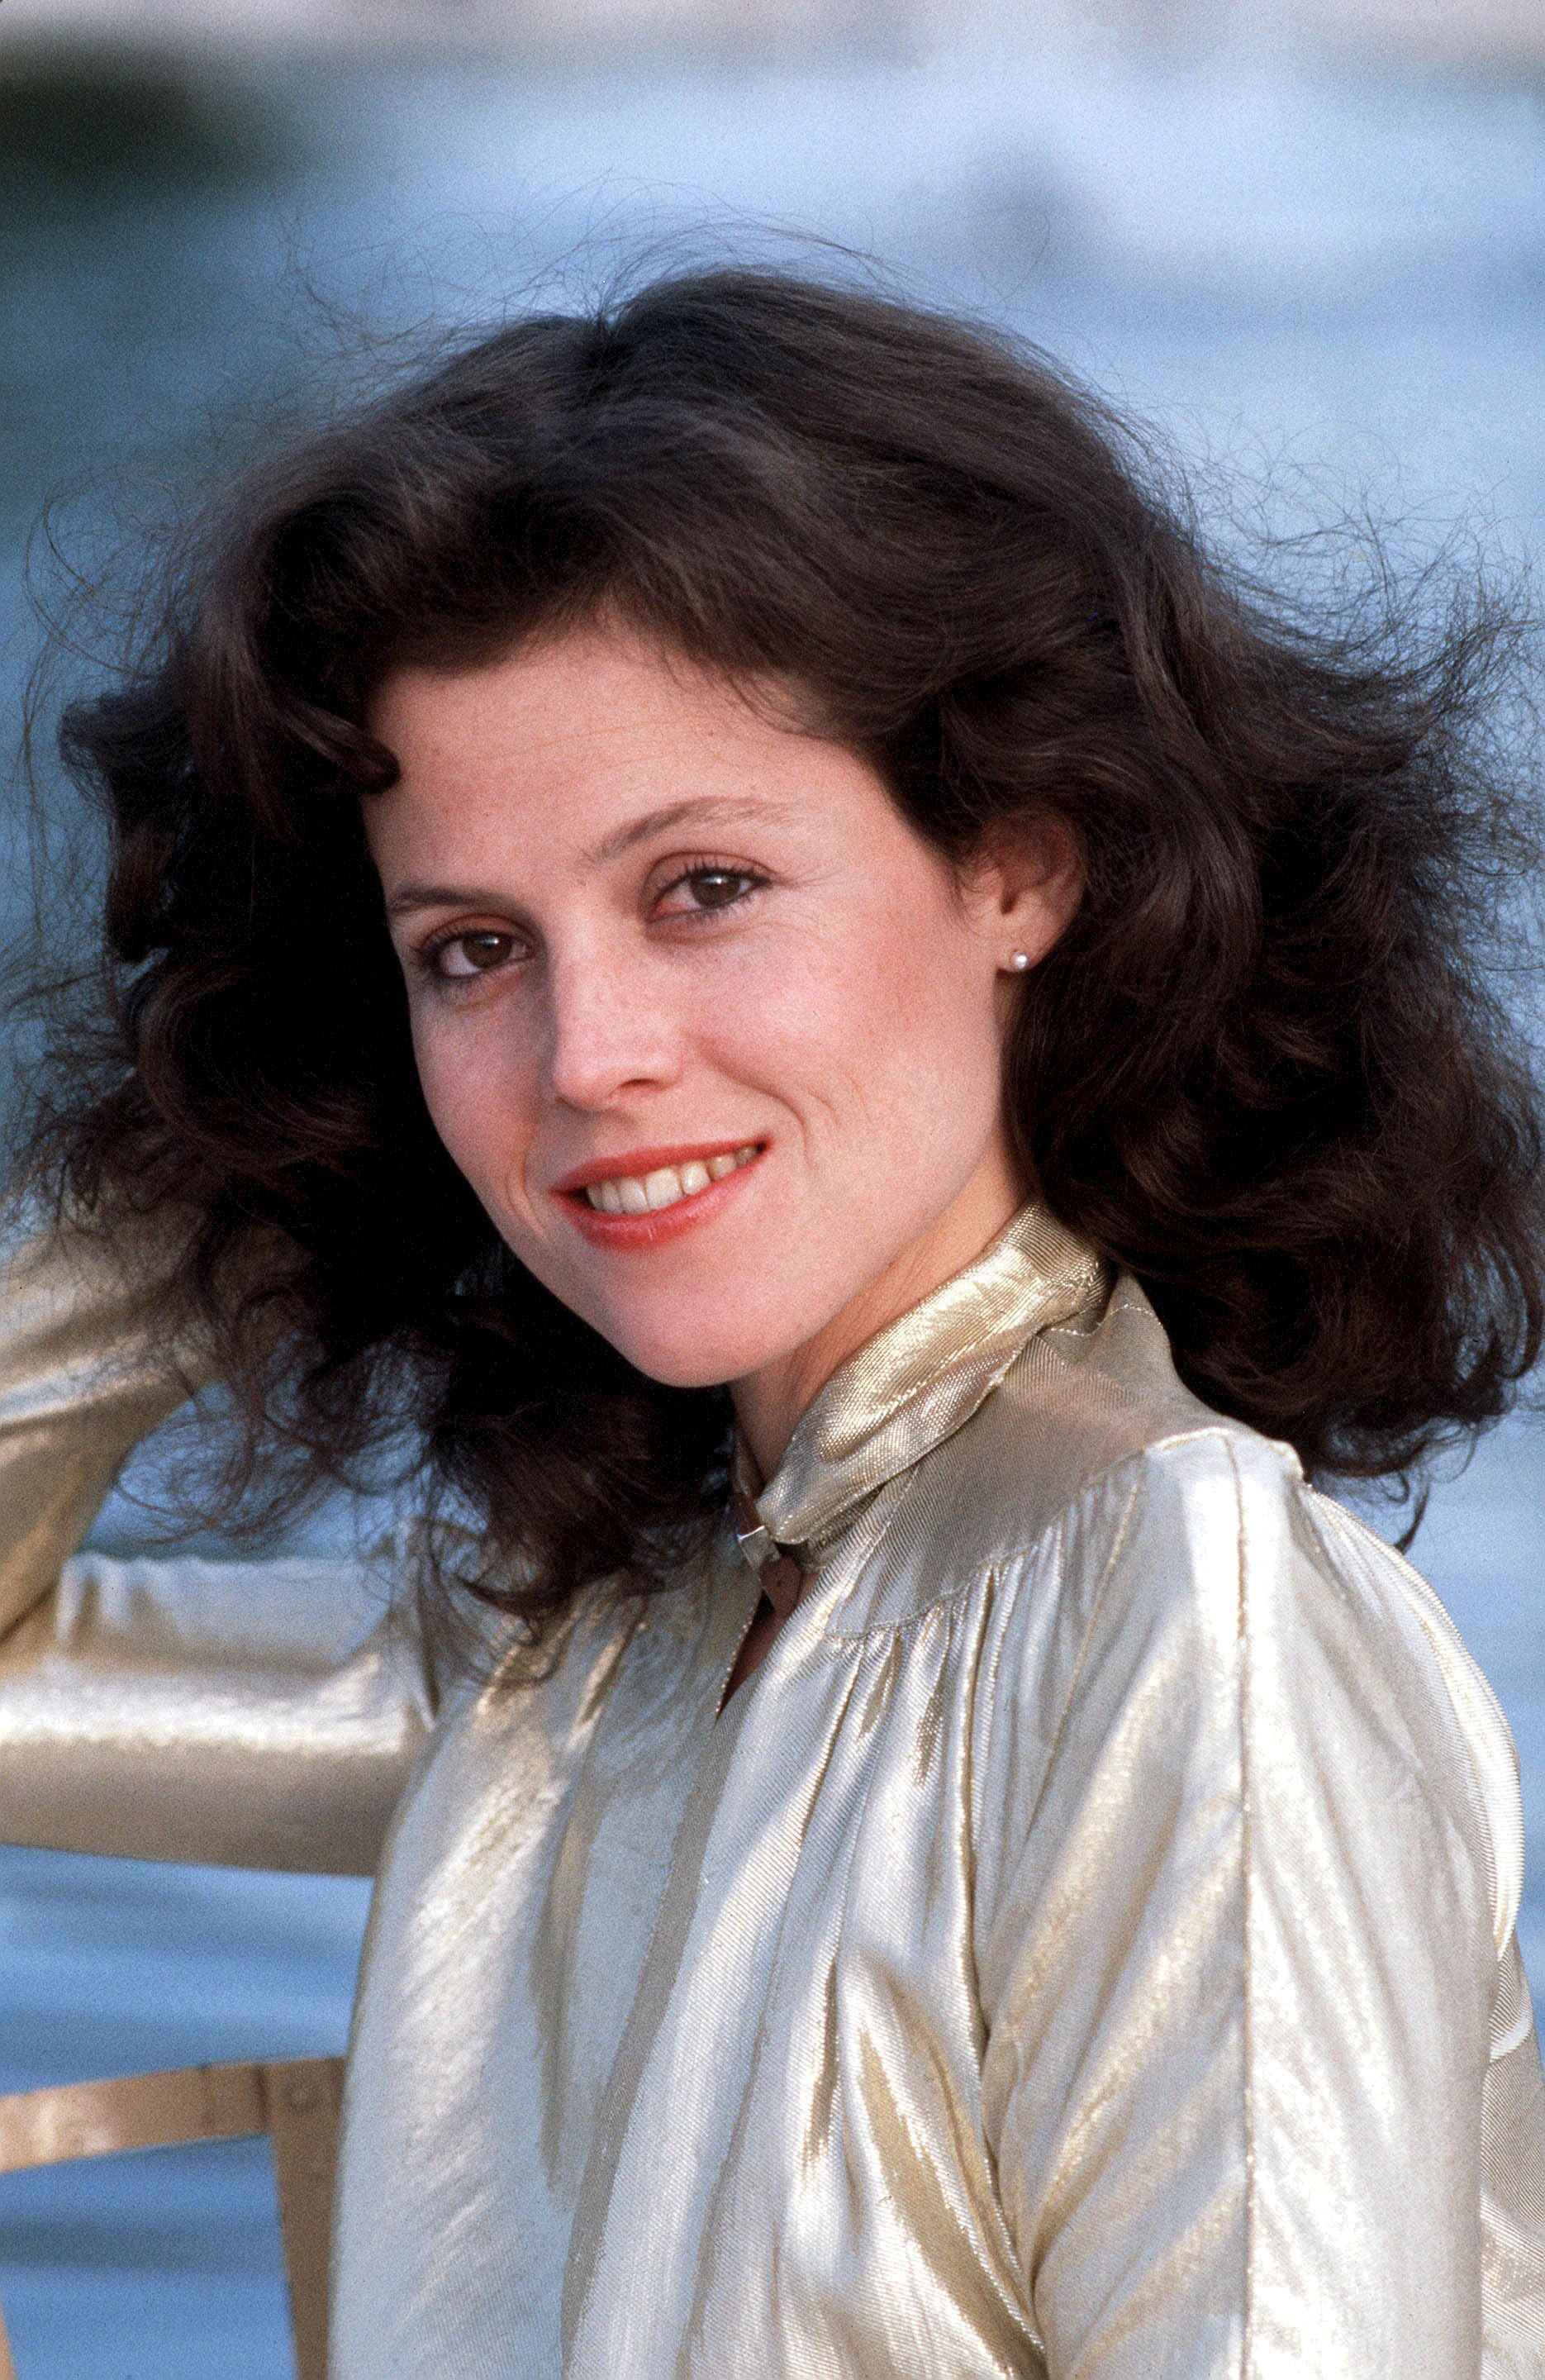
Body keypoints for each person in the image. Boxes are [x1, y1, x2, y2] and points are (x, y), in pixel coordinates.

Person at [2, 265, 1544, 2378]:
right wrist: (251, 1106)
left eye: (701, 888)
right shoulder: (582, 1653)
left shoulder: (1169, 1610)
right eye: (470, 949)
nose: (589, 1055)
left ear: (1018, 868)